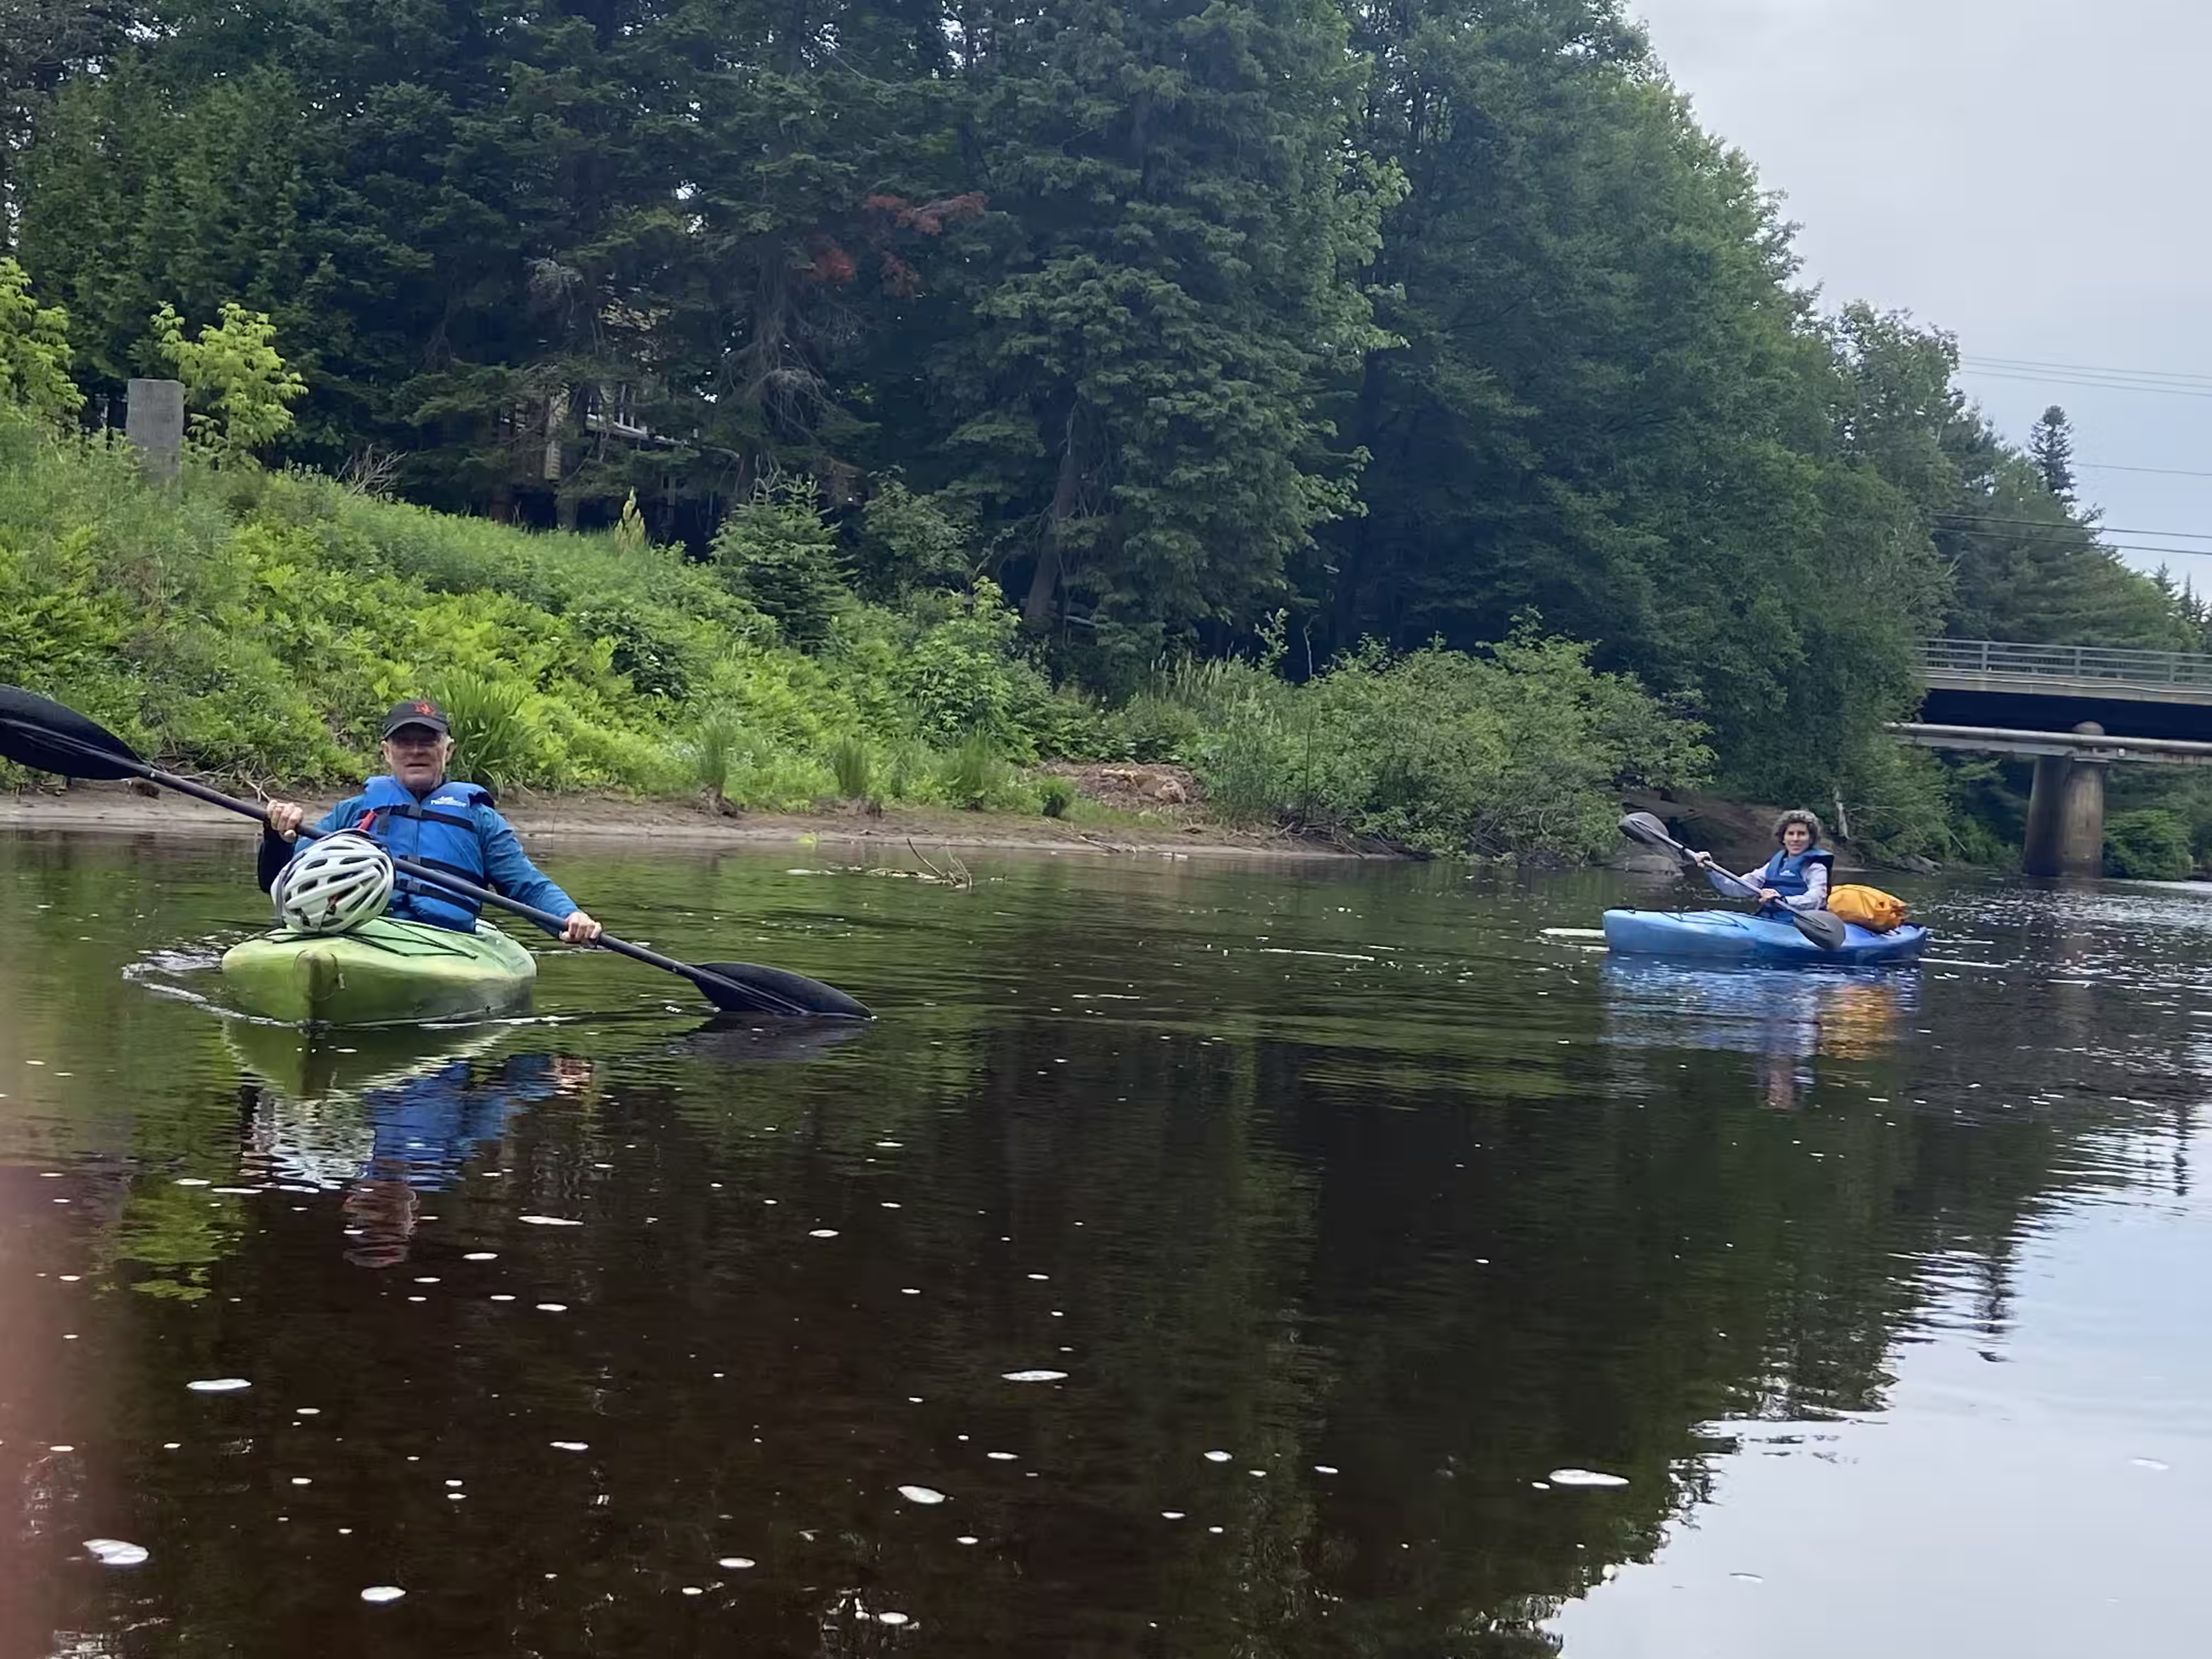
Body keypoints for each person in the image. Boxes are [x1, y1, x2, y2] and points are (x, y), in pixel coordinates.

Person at [260, 698, 602, 944]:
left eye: (428, 741)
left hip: (446, 942)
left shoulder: (480, 819)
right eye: (404, 742)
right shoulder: (354, 812)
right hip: (361, 934)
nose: (416, 751)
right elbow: (280, 881)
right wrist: (279, 837)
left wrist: (570, 916)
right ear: (386, 751)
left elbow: (526, 885)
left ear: (448, 750)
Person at [1693, 809, 1834, 917]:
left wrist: (1784, 900)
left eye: (1802, 834)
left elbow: (1816, 899)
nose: (1795, 839)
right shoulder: (1772, 866)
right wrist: (1711, 869)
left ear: (1811, 839)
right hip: (1770, 922)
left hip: (1801, 925)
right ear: (1783, 838)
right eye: (1791, 834)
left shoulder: (1815, 868)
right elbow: (1736, 888)